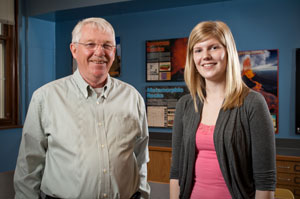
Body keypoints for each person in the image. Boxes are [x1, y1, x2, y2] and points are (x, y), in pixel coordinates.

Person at [14, 17, 150, 199]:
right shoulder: (45, 98)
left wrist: (142, 194)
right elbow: (29, 166)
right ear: (74, 49)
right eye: (90, 44)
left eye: (107, 45)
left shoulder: (132, 97)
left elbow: (140, 156)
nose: (99, 52)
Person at [169, 21, 276, 199]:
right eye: (198, 50)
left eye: (213, 47)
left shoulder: (253, 103)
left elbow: (265, 181)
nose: (206, 56)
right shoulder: (185, 105)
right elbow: (176, 172)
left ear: (228, 52)